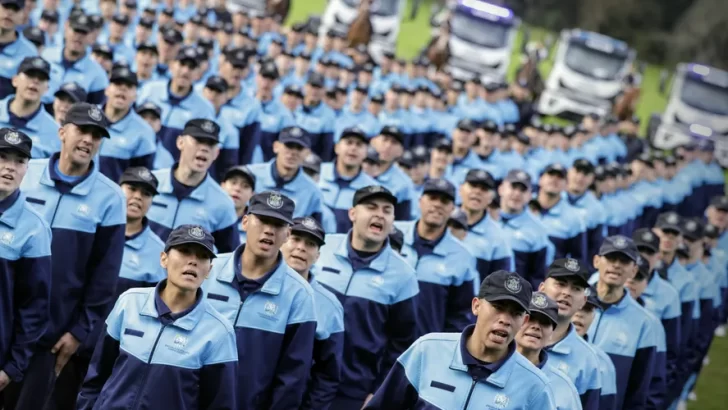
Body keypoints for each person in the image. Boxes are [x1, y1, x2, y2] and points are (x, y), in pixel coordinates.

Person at [16, 103, 126, 410]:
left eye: (97, 135)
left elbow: (104, 276)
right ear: (62, 132)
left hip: (50, 338)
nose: (89, 140)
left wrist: (79, 332)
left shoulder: (111, 197)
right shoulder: (26, 173)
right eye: (82, 130)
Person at [76, 225, 239, 409]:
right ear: (164, 259)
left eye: (202, 256)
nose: (193, 261)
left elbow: (220, 404)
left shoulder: (219, 332)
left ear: (209, 270)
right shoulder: (129, 302)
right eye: (185, 251)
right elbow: (97, 376)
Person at [364, 270, 556, 409]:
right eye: (498, 307)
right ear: (476, 306)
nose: (505, 320)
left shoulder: (535, 386)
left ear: (524, 320)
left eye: (515, 313)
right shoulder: (427, 350)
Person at [203, 191, 317, 409]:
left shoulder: (300, 294)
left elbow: (292, 376)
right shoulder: (208, 269)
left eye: (278, 225)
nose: (269, 230)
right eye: (263, 220)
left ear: (287, 234)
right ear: (245, 221)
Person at [315, 185, 419, 409]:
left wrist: (379, 390)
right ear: (352, 214)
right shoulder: (322, 249)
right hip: (307, 377)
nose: (379, 215)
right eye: (371, 207)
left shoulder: (403, 275)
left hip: (355, 390)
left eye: (387, 210)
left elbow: (401, 345)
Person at [0, 128, 52, 408]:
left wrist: (11, 368)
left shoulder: (35, 229)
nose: (9, 167)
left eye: (19, 161)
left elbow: (35, 308)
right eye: (2, 156)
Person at [588, 235, 660, 410]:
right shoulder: (572, 304)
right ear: (597, 261)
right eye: (611, 258)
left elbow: (640, 389)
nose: (616, 265)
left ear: (634, 270)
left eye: (624, 261)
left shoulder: (645, 323)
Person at [395, 179, 475, 336]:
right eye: (432, 198)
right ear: (420, 201)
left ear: (452, 208)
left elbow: (460, 315)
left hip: (426, 350)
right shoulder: (392, 234)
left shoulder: (462, 256)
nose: (437, 205)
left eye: (445, 201)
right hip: (380, 348)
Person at [146, 119, 240, 253]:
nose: (204, 148)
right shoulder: (150, 183)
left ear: (217, 153)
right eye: (198, 141)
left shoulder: (223, 204)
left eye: (211, 144)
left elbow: (228, 258)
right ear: (180, 142)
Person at [281, 217, 345, 410]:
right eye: (296, 239)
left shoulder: (329, 304)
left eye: (310, 244)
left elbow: (328, 374)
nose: (301, 248)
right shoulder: (256, 286)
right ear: (282, 241)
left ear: (317, 255)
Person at [538, 258, 603, 410]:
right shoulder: (511, 337)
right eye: (560, 284)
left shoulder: (588, 359)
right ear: (542, 288)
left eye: (576, 288)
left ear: (583, 301)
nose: (567, 292)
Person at [136, 46, 215, 161]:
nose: (185, 71)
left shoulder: (204, 109)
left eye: (191, 67)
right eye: (182, 64)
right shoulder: (150, 90)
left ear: (198, 73)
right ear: (172, 65)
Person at [630, 228, 682, 398]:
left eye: (649, 252)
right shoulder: (598, 282)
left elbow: (670, 352)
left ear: (658, 256)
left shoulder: (669, 295)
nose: (643, 256)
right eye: (639, 250)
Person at [515, 292, 582, 410]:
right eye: (529, 318)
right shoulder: (486, 369)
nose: (536, 326)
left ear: (552, 333)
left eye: (545, 322)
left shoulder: (564, 386)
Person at [248, 126, 324, 223]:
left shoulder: (313, 192)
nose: (293, 152)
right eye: (289, 145)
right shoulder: (251, 175)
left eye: (299, 148)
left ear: (307, 153)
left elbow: (313, 230)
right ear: (276, 146)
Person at [624, 254, 669, 410]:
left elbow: (655, 380)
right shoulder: (591, 311)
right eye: (629, 276)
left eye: (638, 278)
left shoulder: (652, 324)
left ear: (646, 284)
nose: (630, 282)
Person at [114, 166, 166, 299]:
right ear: (117, 189)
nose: (138, 197)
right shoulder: (93, 233)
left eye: (146, 194)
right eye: (132, 189)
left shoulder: (158, 252)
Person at [98, 66, 156, 182]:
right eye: (118, 84)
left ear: (135, 95)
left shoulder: (144, 132)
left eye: (129, 86)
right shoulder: (87, 116)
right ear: (107, 89)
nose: (122, 89)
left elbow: (140, 180)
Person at [497, 169, 551, 288]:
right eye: (513, 187)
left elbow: (537, 276)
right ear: (501, 189)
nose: (517, 193)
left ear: (530, 195)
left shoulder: (538, 230)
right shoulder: (485, 219)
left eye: (523, 190)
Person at [458, 169, 515, 281]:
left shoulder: (499, 237)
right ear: (461, 189)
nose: (478, 192)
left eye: (484, 189)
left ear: (491, 197)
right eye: (473, 185)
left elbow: (501, 284)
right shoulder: (441, 223)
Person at [318, 126, 377, 233]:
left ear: (366, 152)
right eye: (349, 143)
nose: (353, 148)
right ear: (337, 147)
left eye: (359, 145)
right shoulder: (317, 173)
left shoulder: (371, 189)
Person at [41, 13, 108, 105]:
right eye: (76, 30)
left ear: (92, 37)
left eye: (84, 32)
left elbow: (94, 110)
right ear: (66, 30)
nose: (78, 36)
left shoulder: (98, 74)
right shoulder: (46, 56)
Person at [0, 57, 57, 158]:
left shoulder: (54, 133)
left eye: (42, 78)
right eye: (30, 75)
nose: (35, 81)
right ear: (15, 80)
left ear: (47, 89)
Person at [572, 287, 618, 410]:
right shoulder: (537, 348)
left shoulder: (602, 362)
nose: (580, 314)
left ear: (593, 317)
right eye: (577, 306)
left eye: (587, 309)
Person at [535, 163, 588, 266]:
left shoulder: (574, 218)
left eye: (560, 177)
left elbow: (577, 259)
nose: (554, 179)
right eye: (550, 175)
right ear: (540, 179)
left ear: (566, 185)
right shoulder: (524, 207)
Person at [566, 159, 607, 266]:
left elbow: (596, 246)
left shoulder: (596, 208)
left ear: (592, 179)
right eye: (577, 171)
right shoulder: (555, 197)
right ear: (569, 172)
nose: (580, 177)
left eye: (585, 174)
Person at [370, 125, 414, 221]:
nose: (388, 146)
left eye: (394, 143)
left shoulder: (404, 184)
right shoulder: (356, 167)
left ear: (401, 151)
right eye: (385, 140)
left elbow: (402, 221)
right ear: (374, 142)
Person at [0, 0, 38, 100]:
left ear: (22, 16)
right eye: (6, 7)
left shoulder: (29, 53)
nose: (9, 13)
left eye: (15, 9)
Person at [220, 165, 256, 244]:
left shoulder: (255, 227)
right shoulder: (207, 215)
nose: (237, 189)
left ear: (252, 195)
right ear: (222, 186)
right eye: (233, 183)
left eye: (245, 186)